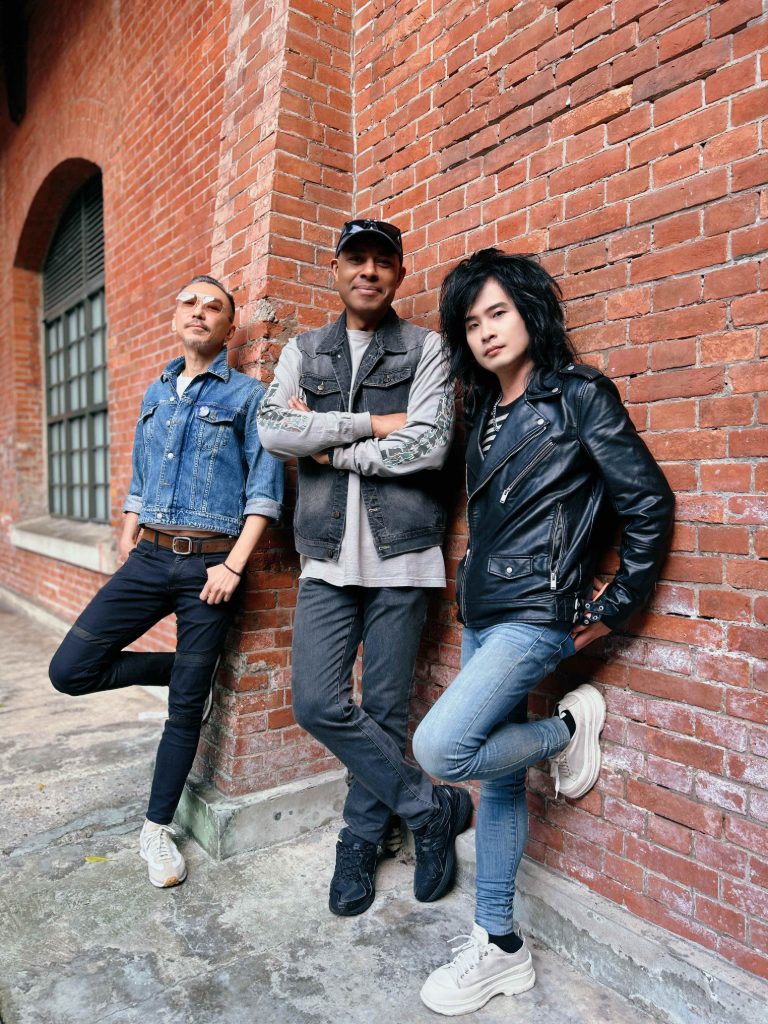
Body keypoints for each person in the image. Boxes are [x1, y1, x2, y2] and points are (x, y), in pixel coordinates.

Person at [412, 248, 674, 1016]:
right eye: (472, 323)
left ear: (530, 311)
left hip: (537, 616)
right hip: (483, 610)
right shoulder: (483, 414)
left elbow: (648, 503)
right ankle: (499, 944)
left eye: (498, 312)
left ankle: (564, 731)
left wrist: (613, 607)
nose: (487, 332)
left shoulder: (578, 394)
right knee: (497, 779)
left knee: (440, 748)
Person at [257, 219, 471, 918]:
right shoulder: (303, 350)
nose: (369, 271)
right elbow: (273, 429)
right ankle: (428, 807)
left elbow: (430, 444)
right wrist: (374, 425)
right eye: (357, 259)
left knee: (383, 709)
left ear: (399, 274)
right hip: (326, 555)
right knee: (317, 703)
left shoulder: (427, 348)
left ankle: (359, 839)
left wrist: (326, 445)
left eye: (384, 261)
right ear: (337, 268)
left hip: (403, 553)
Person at [49, 275, 283, 889]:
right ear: (176, 317)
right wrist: (129, 526)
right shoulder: (156, 390)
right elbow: (140, 471)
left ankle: (156, 829)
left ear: (229, 328)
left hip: (211, 566)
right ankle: (187, 671)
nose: (199, 312)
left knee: (184, 712)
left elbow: (264, 492)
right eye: (190, 303)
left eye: (214, 307)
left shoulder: (248, 396)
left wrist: (234, 566)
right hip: (149, 559)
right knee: (70, 670)